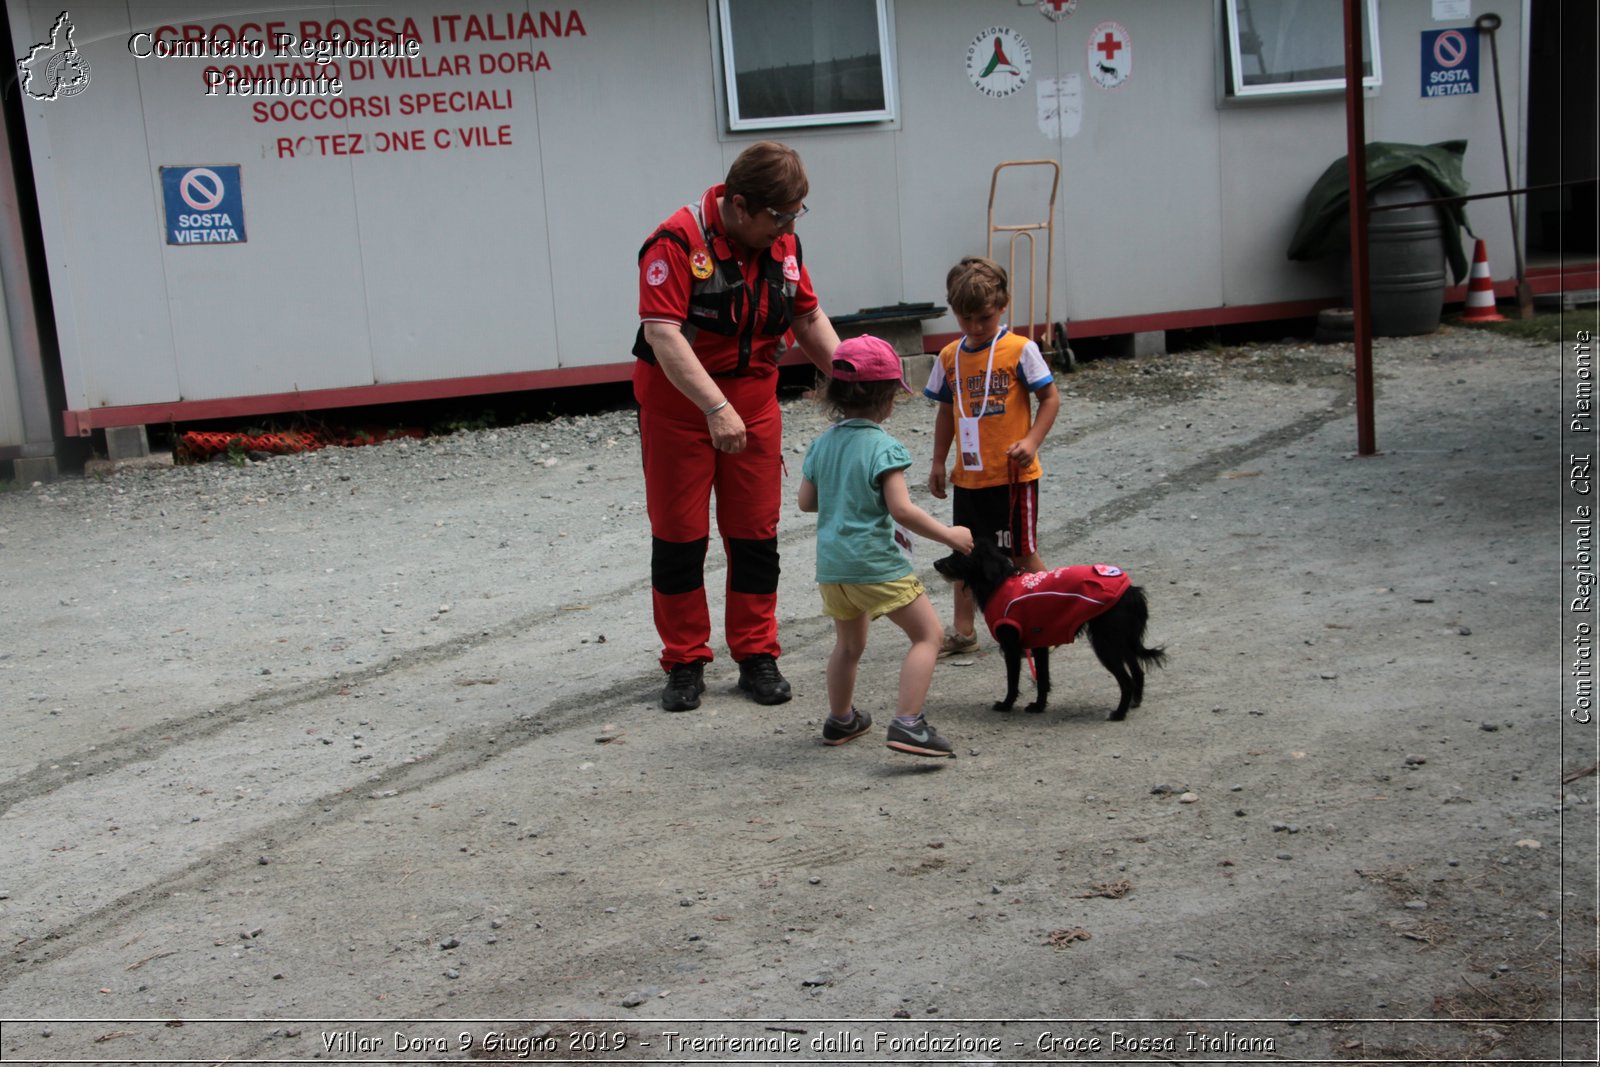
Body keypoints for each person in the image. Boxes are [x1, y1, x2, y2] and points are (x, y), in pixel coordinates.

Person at [634, 141, 843, 712]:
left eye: (796, 215)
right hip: (681, 412)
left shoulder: (783, 243)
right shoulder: (675, 243)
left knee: (755, 535)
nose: (788, 228)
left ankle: (756, 653)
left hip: (754, 405)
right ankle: (684, 661)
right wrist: (713, 407)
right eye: (780, 216)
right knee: (679, 537)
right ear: (741, 205)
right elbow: (663, 335)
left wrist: (851, 379)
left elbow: (805, 314)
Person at [798, 335, 974, 758]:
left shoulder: (823, 444)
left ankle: (841, 719)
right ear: (889, 398)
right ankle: (908, 723)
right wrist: (950, 535)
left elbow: (807, 502)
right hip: (875, 566)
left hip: (834, 569)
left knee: (849, 646)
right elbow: (902, 510)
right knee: (928, 636)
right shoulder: (882, 447)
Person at [924, 256, 1061, 655]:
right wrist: (937, 461)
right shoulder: (949, 356)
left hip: (1014, 476)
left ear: (1002, 306)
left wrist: (1032, 441)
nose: (974, 327)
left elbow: (1050, 398)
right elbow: (947, 411)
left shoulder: (1021, 349)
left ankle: (1048, 617)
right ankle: (964, 631)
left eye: (983, 317)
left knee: (1020, 551)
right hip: (969, 478)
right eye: (965, 318)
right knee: (963, 552)